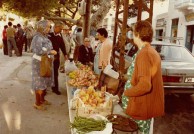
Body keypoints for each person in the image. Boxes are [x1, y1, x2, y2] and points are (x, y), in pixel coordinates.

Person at [122, 20, 164, 134]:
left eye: (133, 32)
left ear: (138, 34)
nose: (132, 35)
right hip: (141, 107)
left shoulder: (145, 53)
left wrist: (127, 93)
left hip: (140, 108)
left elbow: (145, 85)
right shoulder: (149, 51)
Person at [31, 20, 57, 110]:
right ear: (42, 27)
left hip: (45, 62)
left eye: (49, 27)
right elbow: (38, 51)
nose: (49, 28)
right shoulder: (37, 37)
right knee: (39, 83)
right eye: (48, 27)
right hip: (38, 64)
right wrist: (50, 52)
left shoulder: (44, 36)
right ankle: (37, 103)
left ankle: (42, 100)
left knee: (44, 82)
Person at [48, 21, 68, 95]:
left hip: (56, 57)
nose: (61, 30)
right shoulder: (48, 34)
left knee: (55, 73)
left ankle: (55, 88)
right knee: (47, 72)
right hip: (48, 57)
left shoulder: (60, 35)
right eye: (60, 29)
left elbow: (62, 45)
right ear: (56, 27)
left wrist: (65, 54)